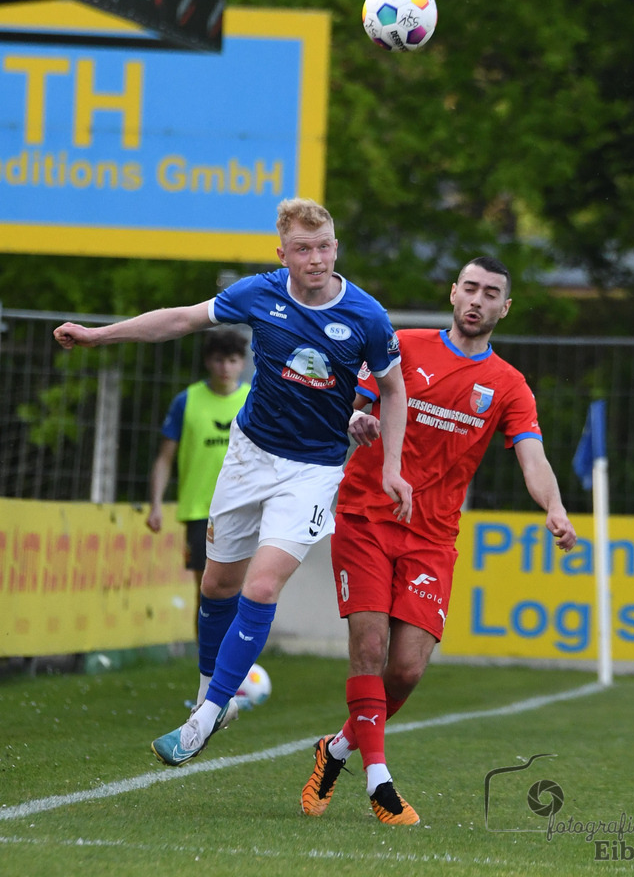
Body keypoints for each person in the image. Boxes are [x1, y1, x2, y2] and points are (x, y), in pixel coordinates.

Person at [53, 198, 412, 784]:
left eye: (324, 247)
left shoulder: (367, 317)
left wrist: (391, 466)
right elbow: (180, 319)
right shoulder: (259, 293)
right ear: (283, 254)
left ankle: (206, 717)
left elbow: (393, 391)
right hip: (248, 456)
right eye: (303, 250)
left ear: (336, 248)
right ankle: (206, 697)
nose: (316, 260)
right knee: (216, 583)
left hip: (313, 470)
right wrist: (100, 336)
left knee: (263, 582)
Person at [301, 256, 578, 827]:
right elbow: (346, 407)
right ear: (453, 294)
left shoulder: (508, 385)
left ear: (505, 307)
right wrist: (356, 421)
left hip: (432, 537)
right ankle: (381, 783)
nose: (478, 299)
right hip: (367, 515)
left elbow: (534, 457)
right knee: (370, 648)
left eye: (491, 293)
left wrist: (553, 506)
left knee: (404, 670)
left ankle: (336, 751)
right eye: (470, 287)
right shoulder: (401, 346)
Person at [145, 326, 250, 630]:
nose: (225, 368)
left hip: (246, 506)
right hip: (200, 511)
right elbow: (165, 458)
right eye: (219, 360)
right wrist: (155, 505)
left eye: (231, 361)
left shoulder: (254, 399)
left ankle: (235, 666)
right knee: (207, 591)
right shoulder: (186, 401)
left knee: (244, 591)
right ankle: (207, 670)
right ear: (208, 362)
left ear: (242, 363)